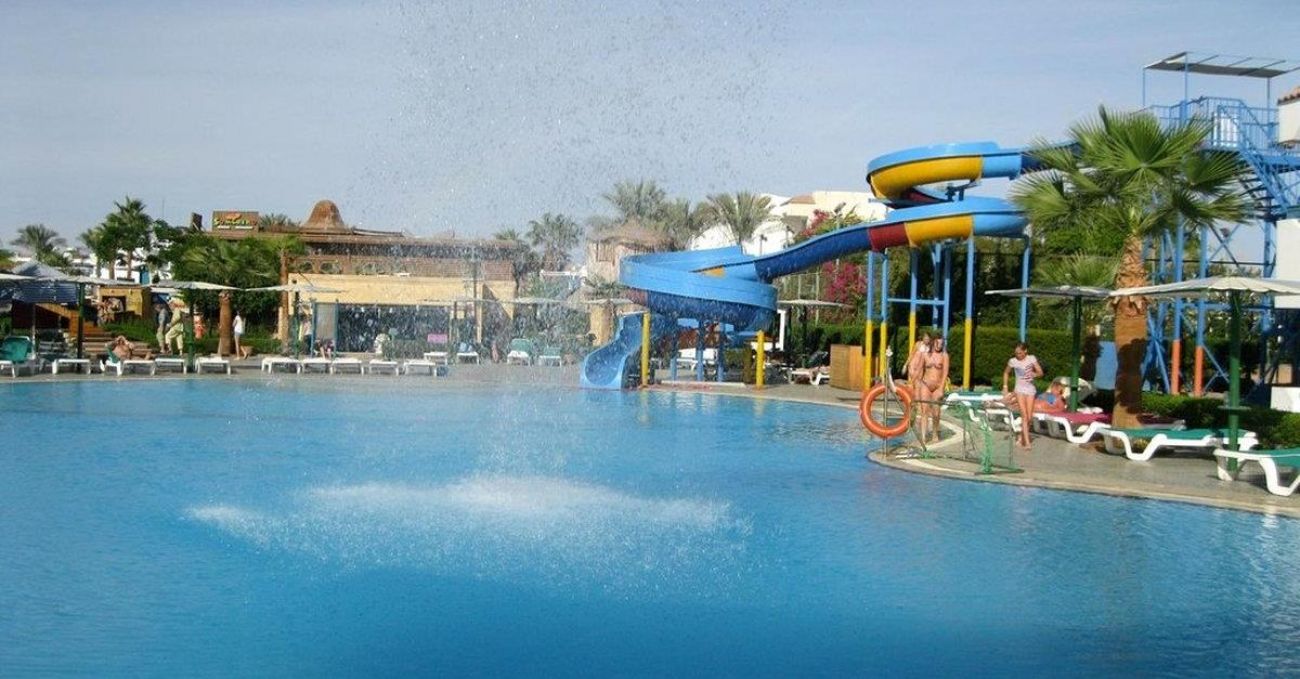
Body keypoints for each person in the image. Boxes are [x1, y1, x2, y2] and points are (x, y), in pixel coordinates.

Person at [1003, 342, 1044, 448]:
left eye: (1020, 353)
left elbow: (1040, 372)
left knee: (1029, 418)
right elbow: (1006, 373)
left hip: (1030, 390)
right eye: (1016, 353)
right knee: (1024, 416)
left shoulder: (1031, 359)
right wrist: (1005, 386)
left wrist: (1035, 374)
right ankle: (1027, 443)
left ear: (1025, 351)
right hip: (1019, 390)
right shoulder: (1013, 361)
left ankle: (1021, 437)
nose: (1018, 355)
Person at [917, 336, 950, 442]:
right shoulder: (925, 355)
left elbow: (945, 373)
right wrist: (917, 384)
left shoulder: (944, 356)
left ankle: (935, 433)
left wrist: (941, 388)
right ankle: (923, 437)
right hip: (925, 384)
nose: (939, 346)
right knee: (924, 411)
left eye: (941, 344)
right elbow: (919, 370)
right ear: (933, 343)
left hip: (937, 386)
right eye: (937, 343)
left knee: (936, 412)